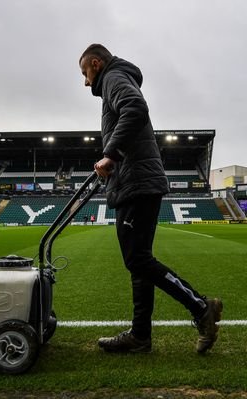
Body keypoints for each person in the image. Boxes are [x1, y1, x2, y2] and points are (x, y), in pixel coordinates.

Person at [79, 43, 223, 354]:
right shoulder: (116, 80)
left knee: (138, 259)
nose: (85, 82)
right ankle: (141, 335)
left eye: (85, 73)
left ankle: (201, 308)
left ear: (95, 63)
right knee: (139, 261)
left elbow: (135, 108)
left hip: (137, 182)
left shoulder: (114, 79)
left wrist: (110, 154)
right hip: (135, 181)